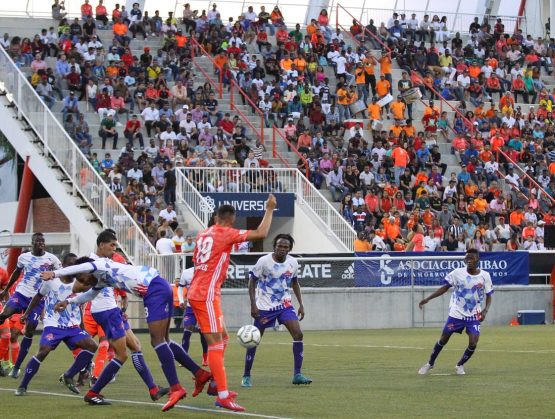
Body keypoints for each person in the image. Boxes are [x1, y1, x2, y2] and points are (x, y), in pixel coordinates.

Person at [42, 235, 211, 411]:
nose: (85, 282)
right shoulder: (102, 278)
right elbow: (89, 294)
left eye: (84, 279)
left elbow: (83, 267)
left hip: (153, 289)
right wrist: (69, 302)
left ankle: (175, 388)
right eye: (112, 244)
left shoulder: (98, 264)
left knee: (154, 343)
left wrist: (55, 273)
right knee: (161, 341)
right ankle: (198, 374)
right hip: (156, 287)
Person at [187, 195, 277, 412]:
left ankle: (216, 384)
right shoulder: (226, 233)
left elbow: (197, 261)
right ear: (232, 220)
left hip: (204, 291)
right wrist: (270, 209)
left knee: (224, 338)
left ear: (216, 217)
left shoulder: (202, 234)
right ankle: (222, 396)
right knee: (216, 344)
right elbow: (261, 234)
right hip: (205, 294)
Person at [83, 230, 169, 401]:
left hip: (113, 310)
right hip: (105, 311)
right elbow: (82, 286)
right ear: (101, 245)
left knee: (136, 346)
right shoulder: (92, 263)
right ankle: (93, 392)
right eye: (112, 245)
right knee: (121, 356)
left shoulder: (106, 261)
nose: (115, 249)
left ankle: (153, 389)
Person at [14, 253, 98, 396]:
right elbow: (38, 297)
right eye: (71, 264)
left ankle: (68, 375)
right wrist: (27, 314)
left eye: (75, 265)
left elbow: (79, 305)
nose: (74, 268)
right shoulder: (51, 281)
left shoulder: (79, 283)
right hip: (53, 325)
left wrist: (82, 324)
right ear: (64, 266)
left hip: (72, 326)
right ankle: (22, 386)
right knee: (43, 351)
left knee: (92, 346)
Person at [242, 234, 312, 388]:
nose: (282, 249)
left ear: (290, 249)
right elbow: (251, 282)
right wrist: (253, 304)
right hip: (265, 307)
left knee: (298, 334)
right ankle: (246, 375)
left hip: (284, 305)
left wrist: (301, 304)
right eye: (280, 245)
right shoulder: (263, 262)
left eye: (286, 247)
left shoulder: (293, 263)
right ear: (274, 245)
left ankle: (297, 374)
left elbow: (295, 283)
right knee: (254, 341)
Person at [418, 249, 493, 375]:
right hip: (456, 313)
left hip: (474, 315)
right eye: (467, 259)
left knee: (473, 342)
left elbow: (489, 295)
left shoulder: (485, 276)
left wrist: (485, 311)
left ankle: (460, 365)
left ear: (478, 260)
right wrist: (428, 298)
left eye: (472, 258)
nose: (469, 261)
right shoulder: (457, 273)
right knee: (443, 339)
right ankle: (430, 364)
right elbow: (445, 288)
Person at [0, 233, 62, 379]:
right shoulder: (24, 257)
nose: (40, 243)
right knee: (3, 315)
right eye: (37, 241)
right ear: (32, 243)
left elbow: (60, 275)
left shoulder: (52, 259)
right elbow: (16, 272)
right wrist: (6, 290)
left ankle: (16, 367)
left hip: (38, 299)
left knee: (30, 330)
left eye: (42, 241)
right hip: (21, 295)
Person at [178, 267, 208, 367]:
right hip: (190, 308)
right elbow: (180, 287)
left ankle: (205, 357)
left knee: (203, 332)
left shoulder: (206, 271)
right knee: (187, 331)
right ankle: (184, 357)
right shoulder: (186, 273)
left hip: (203, 307)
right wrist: (181, 300)